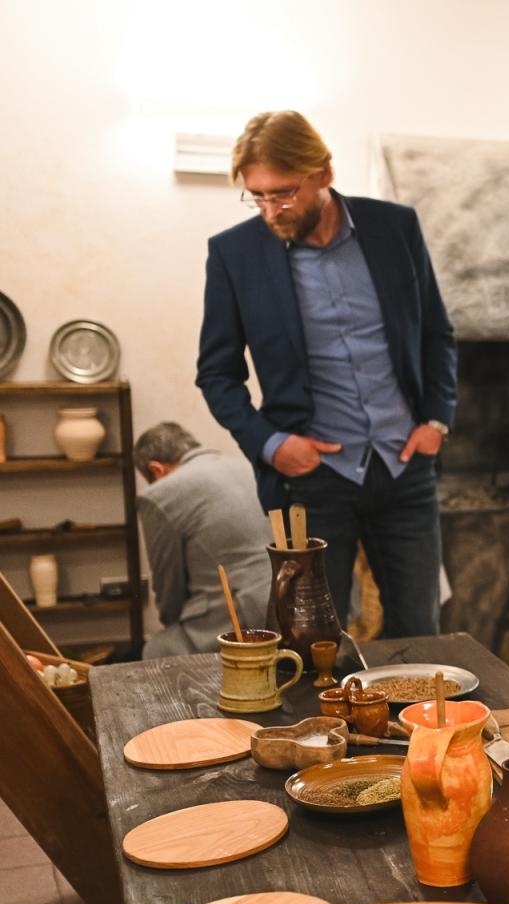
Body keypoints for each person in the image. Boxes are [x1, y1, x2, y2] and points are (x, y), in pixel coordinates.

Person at [196, 110, 457, 637]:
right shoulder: (234, 254)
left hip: (405, 469)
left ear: (324, 174)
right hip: (312, 482)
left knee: (420, 633)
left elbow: (436, 333)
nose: (272, 209)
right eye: (259, 196)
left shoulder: (394, 227)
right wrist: (271, 444)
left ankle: (421, 724)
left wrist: (436, 421)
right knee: (314, 641)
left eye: (285, 193)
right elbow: (216, 374)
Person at [133, 422, 274, 657]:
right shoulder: (247, 465)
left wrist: (172, 625)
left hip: (244, 615)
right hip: (292, 600)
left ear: (156, 469)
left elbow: (169, 590)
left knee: (155, 651)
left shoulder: (160, 494)